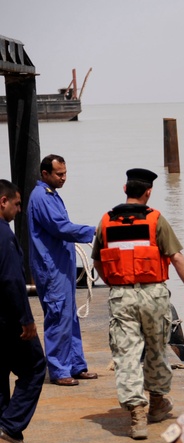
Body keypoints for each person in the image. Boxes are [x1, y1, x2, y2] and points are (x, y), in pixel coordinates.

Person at [91, 168, 184, 440]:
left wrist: (116, 283)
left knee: (126, 354)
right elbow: (176, 258)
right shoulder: (155, 220)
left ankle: (137, 413)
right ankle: (158, 402)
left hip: (121, 295)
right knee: (157, 348)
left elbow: (98, 263)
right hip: (153, 295)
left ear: (125, 189)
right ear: (148, 192)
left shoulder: (106, 221)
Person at [25, 154, 98, 386]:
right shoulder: (41, 197)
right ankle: (59, 370)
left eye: (65, 173)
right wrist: (95, 230)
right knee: (58, 317)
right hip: (51, 269)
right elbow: (60, 227)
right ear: (45, 174)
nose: (64, 178)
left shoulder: (52, 195)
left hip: (61, 267)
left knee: (70, 318)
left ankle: (76, 365)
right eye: (59, 174)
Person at [0, 180, 46, 443]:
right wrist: (26, 319)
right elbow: (11, 281)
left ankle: (7, 434)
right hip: (8, 320)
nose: (19, 210)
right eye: (17, 204)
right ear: (2, 202)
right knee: (35, 367)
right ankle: (9, 425)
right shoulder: (4, 235)